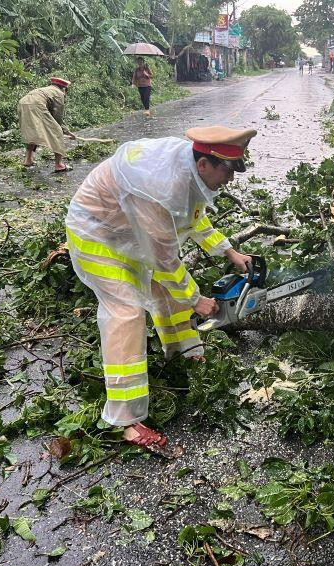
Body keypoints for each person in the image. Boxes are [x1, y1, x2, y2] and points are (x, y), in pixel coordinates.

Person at [65, 126, 256, 449]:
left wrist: (229, 251)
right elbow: (164, 258)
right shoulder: (160, 186)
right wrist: (197, 299)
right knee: (126, 313)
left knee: (169, 292)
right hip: (97, 235)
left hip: (129, 236)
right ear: (204, 165)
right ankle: (124, 420)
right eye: (226, 170)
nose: (230, 179)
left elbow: (193, 217)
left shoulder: (187, 169)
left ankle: (185, 353)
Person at [18, 77, 76, 173]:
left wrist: (68, 131)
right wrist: (66, 132)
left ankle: (28, 160)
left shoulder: (47, 90)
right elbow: (57, 118)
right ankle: (59, 164)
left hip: (23, 102)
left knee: (32, 131)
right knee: (57, 131)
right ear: (64, 89)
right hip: (36, 104)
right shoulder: (59, 94)